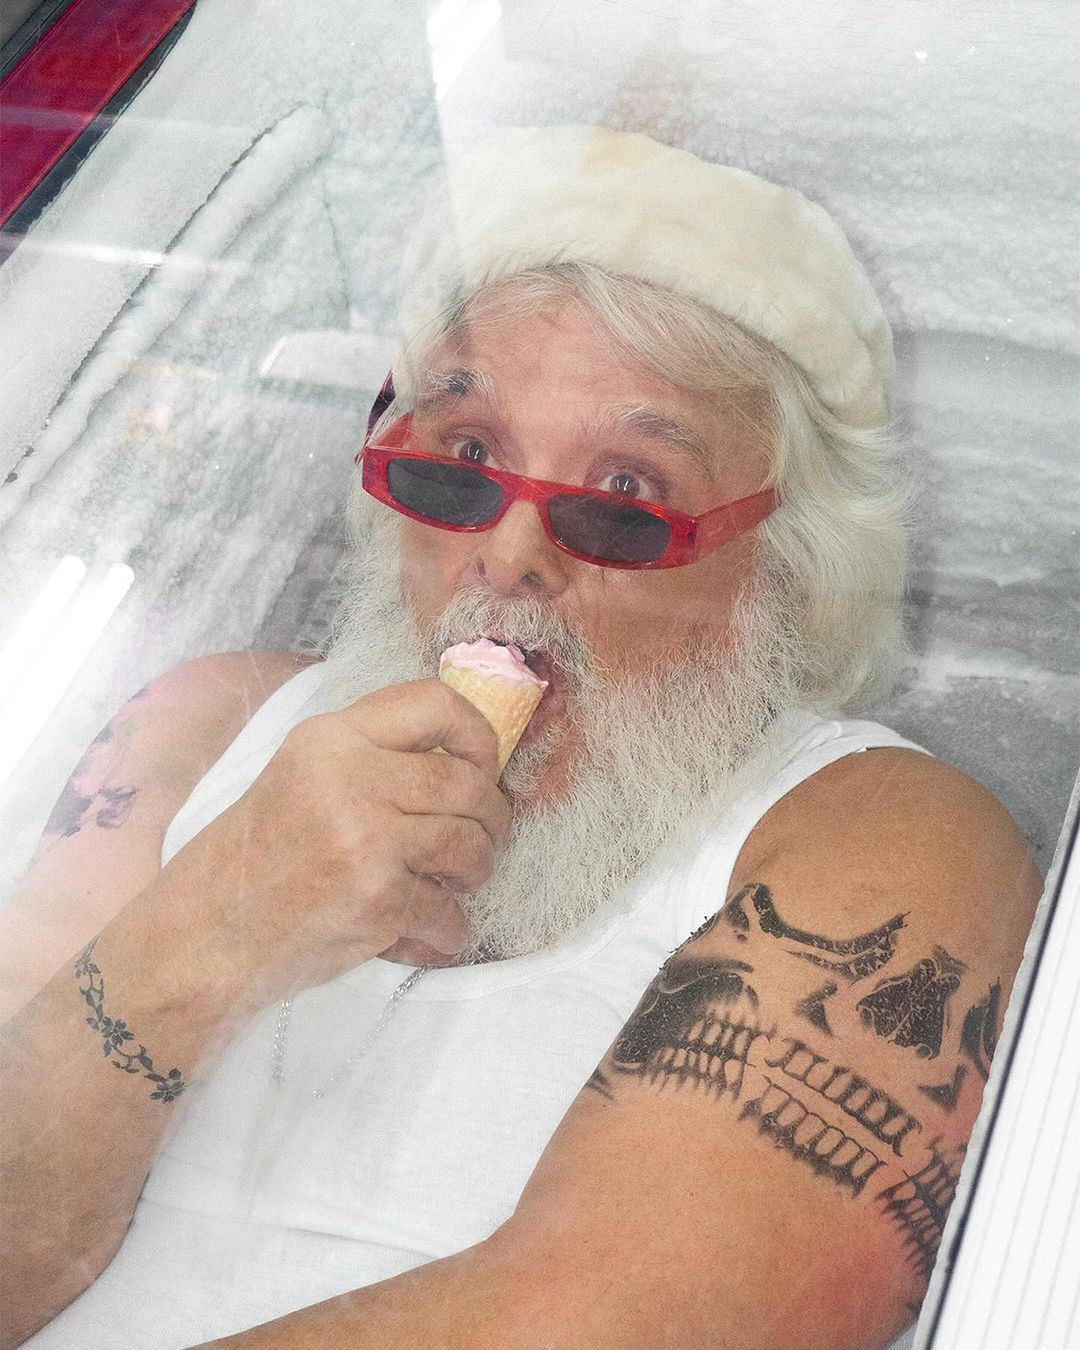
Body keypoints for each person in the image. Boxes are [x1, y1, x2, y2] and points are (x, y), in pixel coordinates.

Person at [0, 126, 1041, 1350]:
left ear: (792, 573)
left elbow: (590, 1321)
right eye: (468, 456)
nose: (507, 555)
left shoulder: (886, 835)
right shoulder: (200, 728)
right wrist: (212, 923)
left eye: (627, 495)